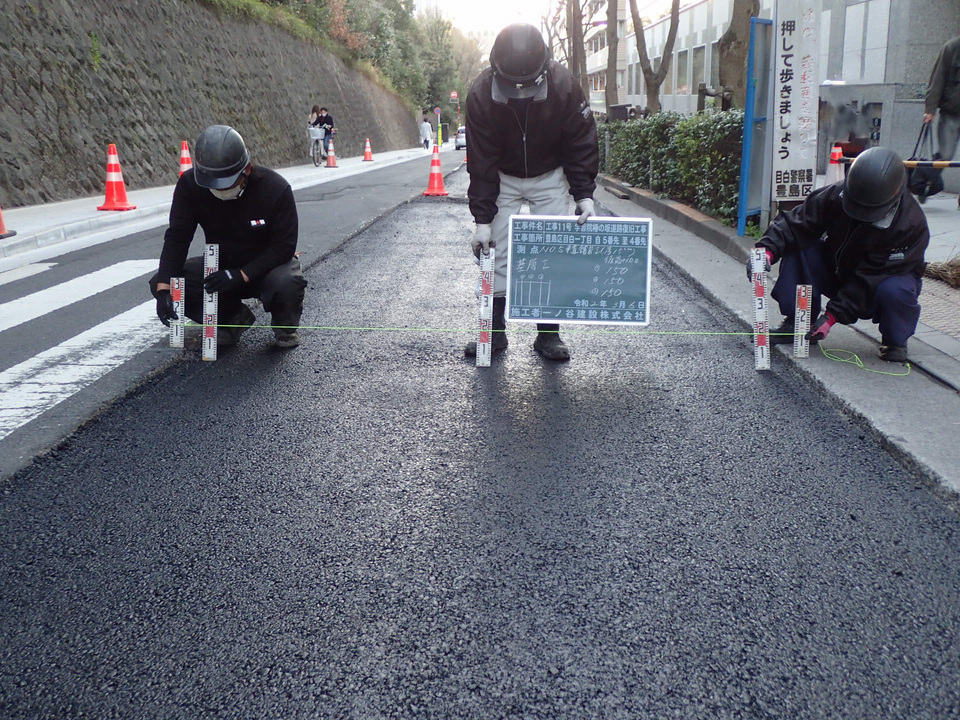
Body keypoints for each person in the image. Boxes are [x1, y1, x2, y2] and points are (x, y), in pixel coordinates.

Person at [464, 23, 599, 361]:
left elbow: (580, 142)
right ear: (496, 68)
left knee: (551, 252)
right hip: (502, 176)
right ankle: (494, 334)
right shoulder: (481, 94)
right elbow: (480, 161)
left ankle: (548, 335)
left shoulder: (565, 86)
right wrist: (483, 220)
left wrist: (583, 194)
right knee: (494, 251)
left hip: (550, 174)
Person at [747, 146, 929, 363]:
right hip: (837, 268)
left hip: (877, 283)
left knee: (896, 289)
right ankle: (798, 323)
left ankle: (894, 340)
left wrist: (832, 316)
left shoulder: (910, 225)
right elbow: (796, 223)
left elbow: (871, 278)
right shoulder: (835, 195)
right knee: (801, 246)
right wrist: (766, 250)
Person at [149, 125, 307, 349]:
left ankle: (285, 326)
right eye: (213, 184)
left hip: (267, 267)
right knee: (165, 281)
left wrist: (242, 275)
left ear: (247, 170)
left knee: (286, 282)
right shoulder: (190, 185)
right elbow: (178, 236)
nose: (220, 190)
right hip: (220, 267)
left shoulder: (275, 189)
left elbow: (284, 246)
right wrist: (165, 287)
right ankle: (233, 319)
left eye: (227, 183)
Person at [923, 35, 960, 208]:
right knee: (945, 155)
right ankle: (925, 183)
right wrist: (930, 109)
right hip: (951, 112)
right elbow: (938, 78)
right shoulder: (952, 47)